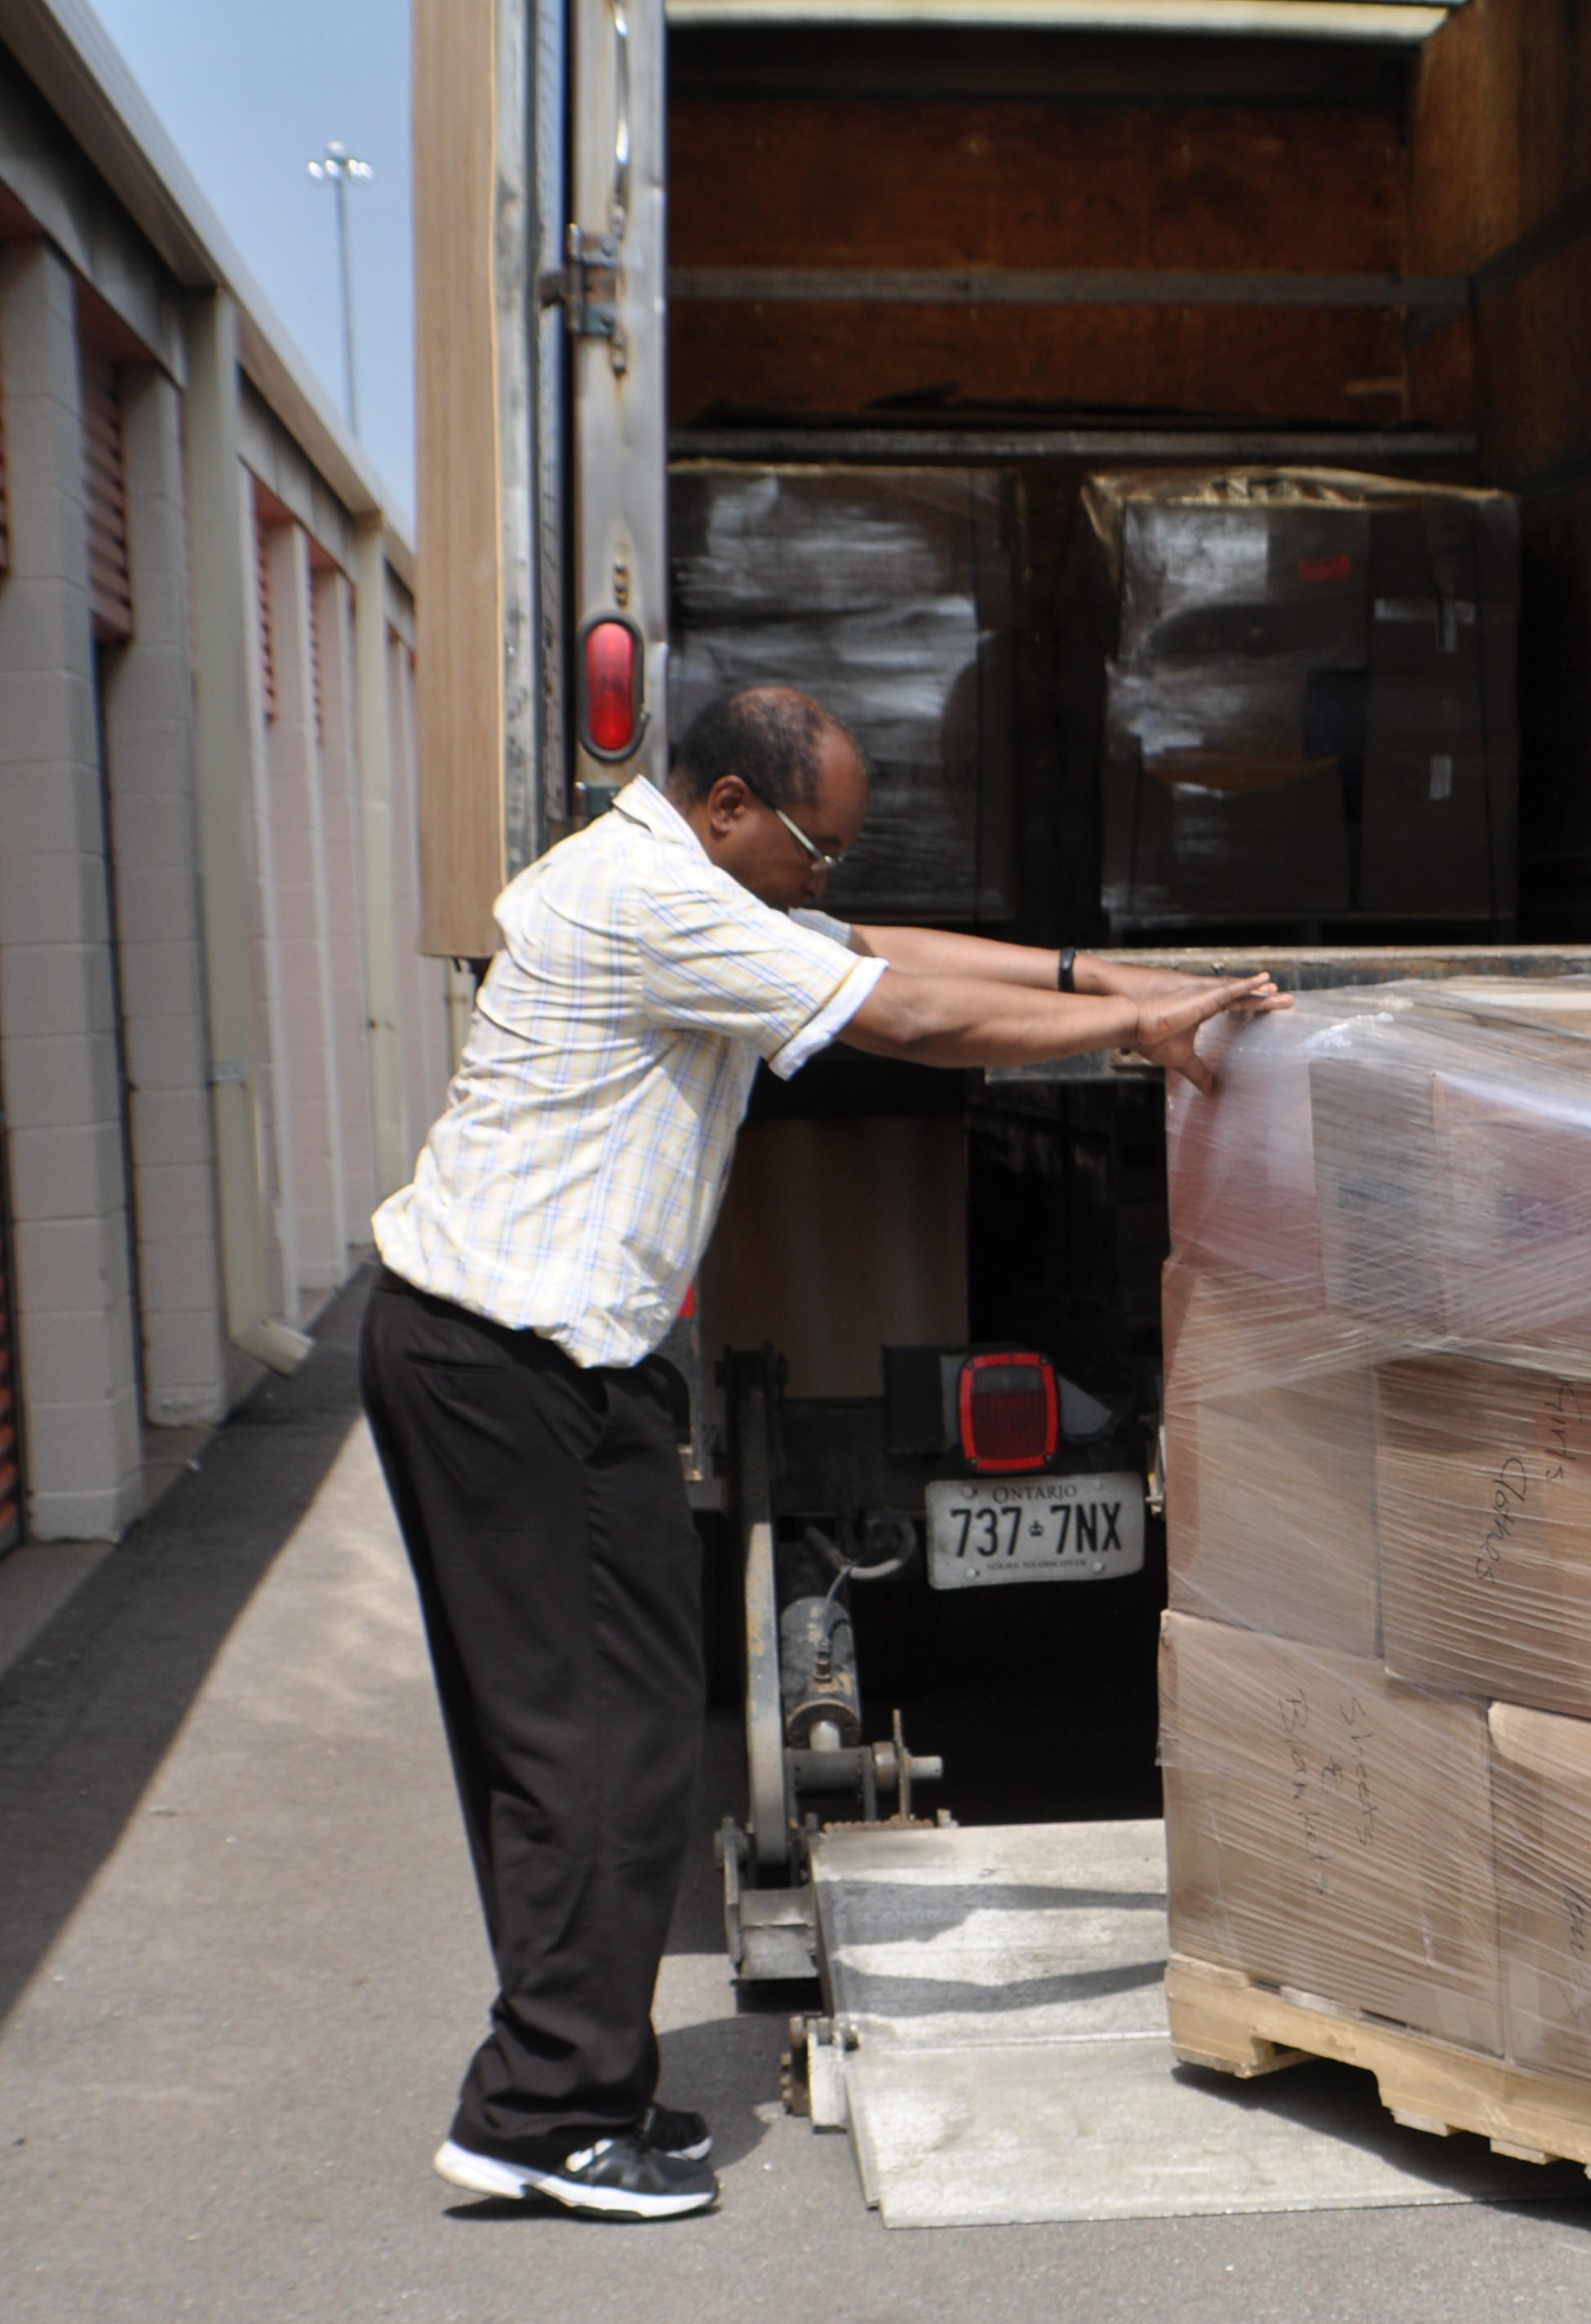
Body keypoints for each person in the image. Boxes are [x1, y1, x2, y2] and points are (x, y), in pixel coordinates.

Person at [362, 685, 1285, 2221]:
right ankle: (542, 2111)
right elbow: (905, 1017)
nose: (828, 877)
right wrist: (1130, 1027)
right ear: (729, 806)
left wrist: (1102, 975)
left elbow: (883, 951)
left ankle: (571, 2084)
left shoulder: (687, 877)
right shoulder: (658, 901)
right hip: (518, 1369)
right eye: (817, 845)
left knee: (595, 1737)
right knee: (601, 1747)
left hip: (520, 1362)